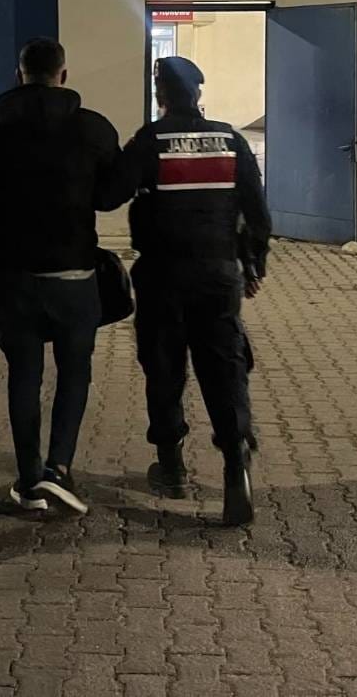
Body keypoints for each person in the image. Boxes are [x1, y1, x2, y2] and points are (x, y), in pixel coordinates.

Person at [114, 55, 270, 525]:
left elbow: (110, 192)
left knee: (163, 366)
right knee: (225, 368)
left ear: (160, 94)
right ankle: (235, 464)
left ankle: (172, 466)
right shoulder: (230, 139)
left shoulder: (149, 140)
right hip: (218, 275)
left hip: (162, 275)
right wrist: (253, 263)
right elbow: (258, 213)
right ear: (198, 94)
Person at [0, 38, 124, 515]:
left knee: (24, 374)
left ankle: (28, 478)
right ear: (63, 74)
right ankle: (59, 468)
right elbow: (111, 195)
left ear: (19, 73)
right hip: (74, 275)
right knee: (74, 372)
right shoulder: (93, 127)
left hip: (17, 274)